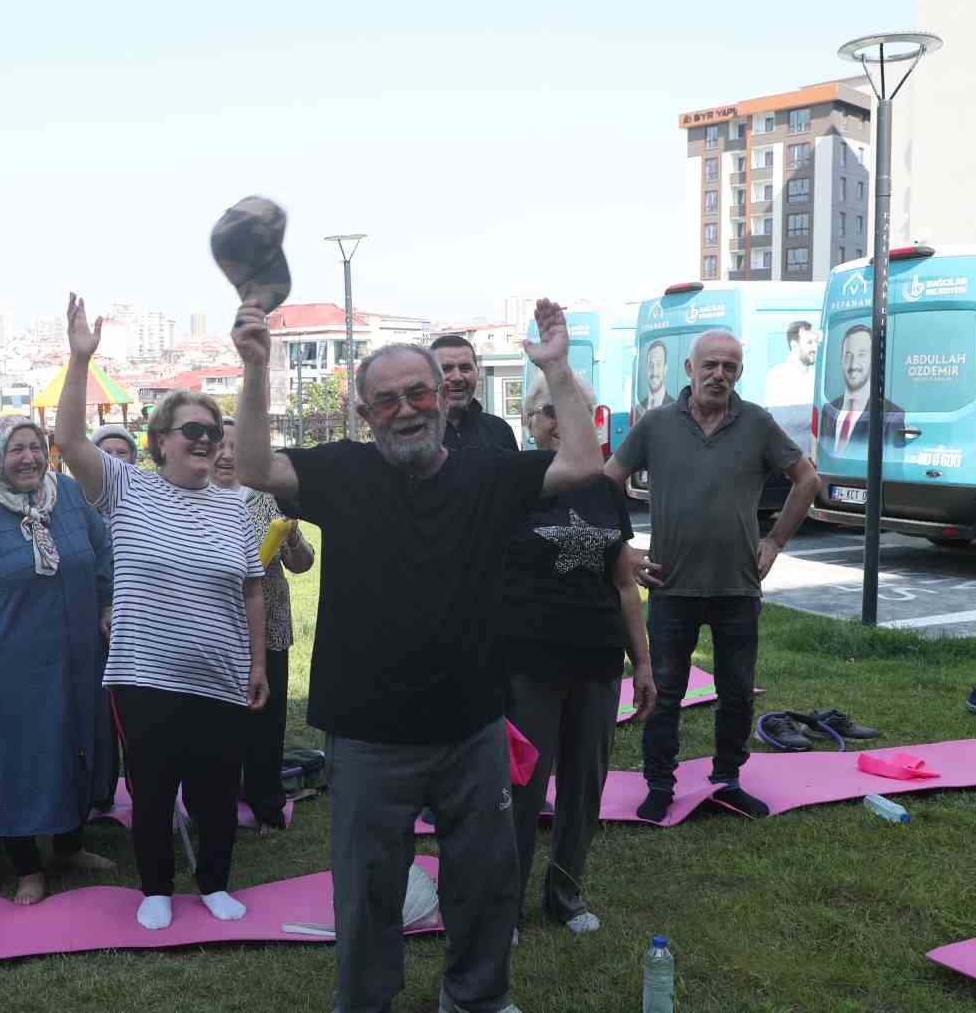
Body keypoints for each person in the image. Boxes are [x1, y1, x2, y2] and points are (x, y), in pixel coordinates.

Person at [233, 296, 603, 1013]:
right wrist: (255, 368)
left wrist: (557, 369)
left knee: (486, 879)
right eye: (386, 400)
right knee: (369, 889)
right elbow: (251, 463)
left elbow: (583, 460)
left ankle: (475, 997)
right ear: (365, 414)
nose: (405, 409)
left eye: (418, 393)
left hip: (473, 727)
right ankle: (366, 1002)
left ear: (442, 398)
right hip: (368, 735)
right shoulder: (342, 473)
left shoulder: (489, 472)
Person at [57, 293, 268, 932]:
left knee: (214, 790)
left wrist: (258, 663)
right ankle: (155, 886)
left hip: (222, 672)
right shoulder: (127, 487)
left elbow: (254, 588)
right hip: (145, 674)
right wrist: (79, 359)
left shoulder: (237, 503)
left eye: (213, 431)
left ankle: (214, 883)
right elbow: (67, 439)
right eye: (192, 431)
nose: (205, 441)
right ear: (162, 442)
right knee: (152, 790)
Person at [605, 331, 819, 824]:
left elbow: (807, 480)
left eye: (730, 367)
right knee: (663, 692)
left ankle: (727, 779)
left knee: (738, 691)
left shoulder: (758, 424)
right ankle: (659, 783)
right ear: (689, 368)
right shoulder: (656, 424)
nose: (720, 375)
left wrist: (775, 542)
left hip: (737, 588)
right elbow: (605, 481)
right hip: (671, 586)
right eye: (711, 365)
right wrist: (625, 550)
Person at [0, 416, 117, 905]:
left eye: (35, 446)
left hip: (78, 660)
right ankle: (27, 868)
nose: (29, 458)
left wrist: (107, 602)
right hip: (8, 668)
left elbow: (103, 551)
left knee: (77, 748)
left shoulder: (70, 497)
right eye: (16, 449)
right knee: (13, 762)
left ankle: (69, 846)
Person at [499, 380, 655, 940]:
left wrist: (642, 662)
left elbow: (623, 586)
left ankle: (564, 894)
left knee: (584, 787)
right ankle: (507, 906)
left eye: (579, 411)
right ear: (529, 420)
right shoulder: (512, 485)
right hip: (529, 664)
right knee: (522, 789)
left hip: (597, 662)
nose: (563, 420)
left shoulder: (605, 489)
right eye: (551, 410)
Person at [211, 416, 315, 831]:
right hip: (215, 624)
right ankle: (216, 800)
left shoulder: (269, 497)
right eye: (219, 445)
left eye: (235, 446)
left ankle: (266, 803)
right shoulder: (191, 499)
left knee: (266, 720)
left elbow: (303, 563)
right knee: (218, 720)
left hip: (268, 623)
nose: (225, 455)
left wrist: (291, 539)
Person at [819, 323, 905, 458]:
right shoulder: (828, 411)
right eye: (848, 355)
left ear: (874, 360)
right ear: (841, 360)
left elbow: (893, 470)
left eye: (861, 355)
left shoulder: (892, 415)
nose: (853, 364)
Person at [431, 333, 519, 451]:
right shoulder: (415, 434)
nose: (457, 377)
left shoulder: (499, 430)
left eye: (465, 368)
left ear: (477, 372)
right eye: (445, 369)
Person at [762, 320, 819, 408]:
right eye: (809, 342)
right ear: (794, 345)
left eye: (816, 342)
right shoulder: (776, 377)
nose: (815, 348)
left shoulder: (817, 377)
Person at [631, 340, 675, 426]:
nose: (654, 372)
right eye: (651, 364)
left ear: (665, 369)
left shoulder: (676, 409)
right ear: (646, 368)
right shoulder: (638, 409)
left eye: (658, 364)